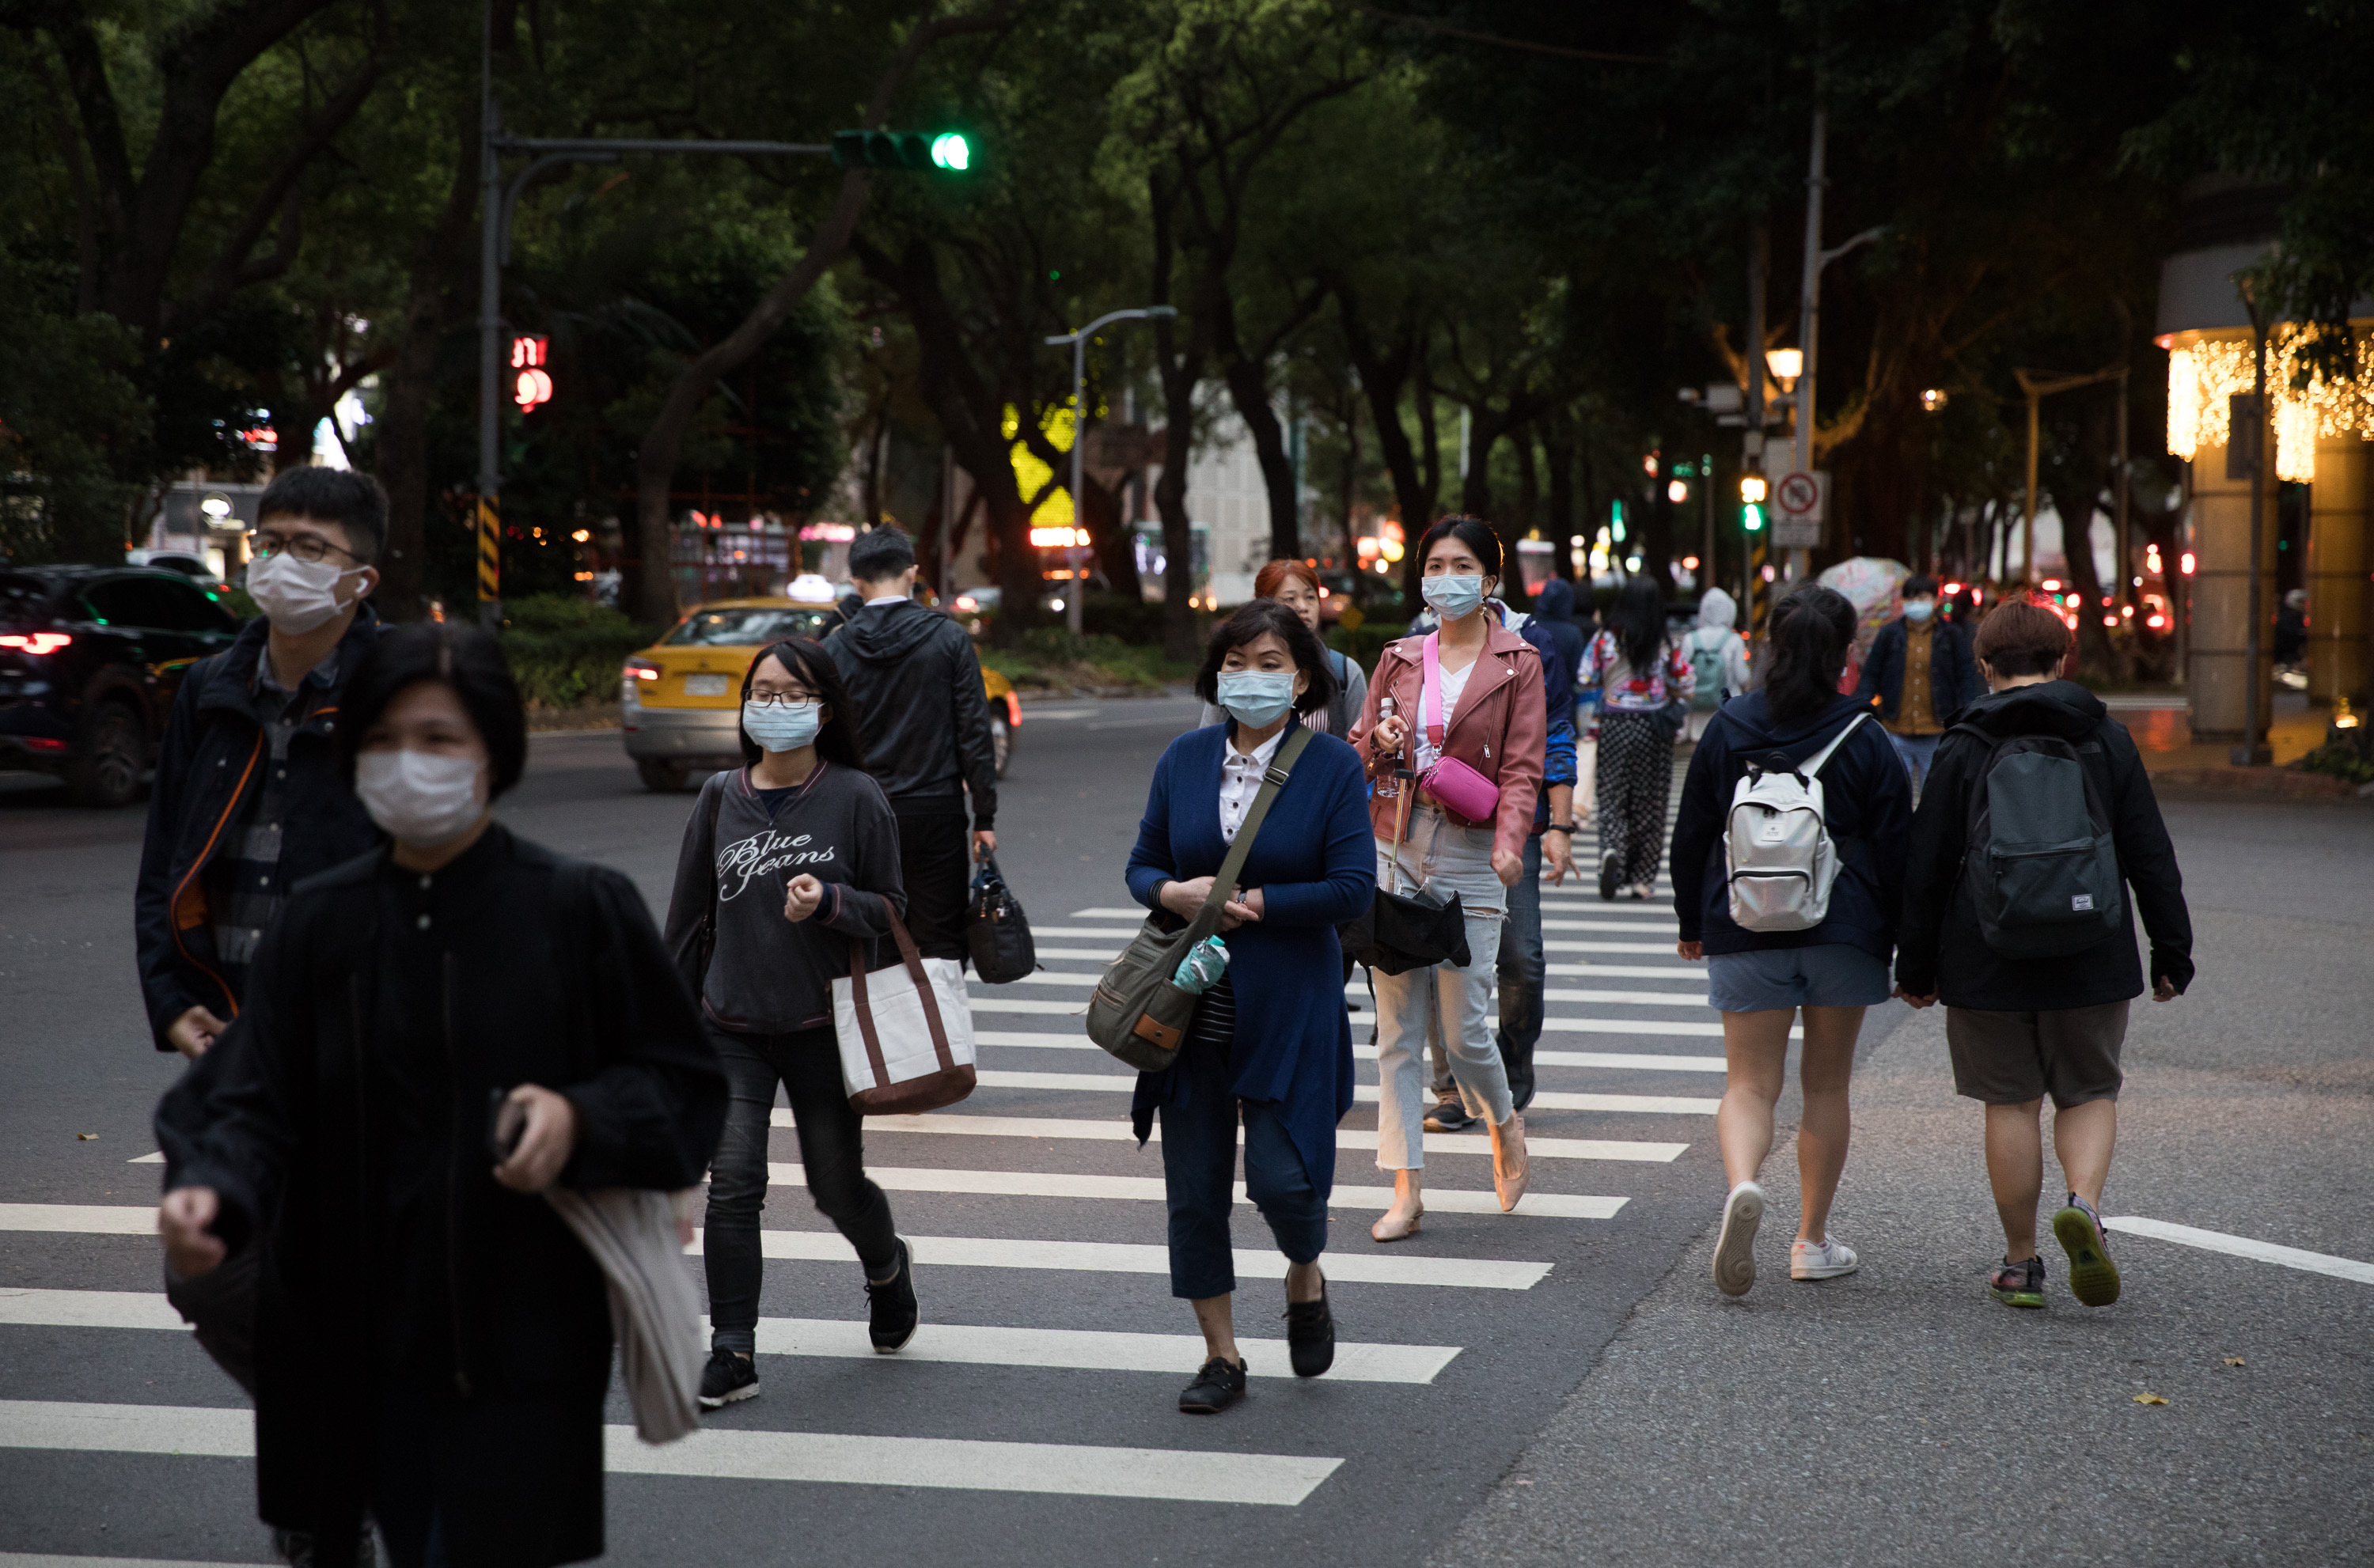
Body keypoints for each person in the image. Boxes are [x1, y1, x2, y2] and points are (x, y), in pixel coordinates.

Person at [154, 623, 726, 1568]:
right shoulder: (321, 920)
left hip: (520, 1338)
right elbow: (249, 1094)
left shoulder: (577, 906)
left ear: (492, 752)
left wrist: (581, 1115)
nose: (406, 763)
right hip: (343, 1335)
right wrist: (212, 1187)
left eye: (437, 738)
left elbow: (680, 1082)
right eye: (382, 740)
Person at [1892, 600, 2194, 1311]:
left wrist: (1916, 966)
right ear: (2062, 662)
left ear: (1984, 665)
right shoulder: (2106, 738)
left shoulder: (1963, 745)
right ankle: (2084, 1206)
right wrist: (2171, 948)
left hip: (1985, 952)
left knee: (2010, 1102)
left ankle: (2021, 1264)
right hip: (2092, 948)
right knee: (2088, 1089)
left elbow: (1927, 863)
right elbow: (2149, 850)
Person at [1125, 600, 1374, 1414]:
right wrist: (1174, 889)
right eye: (1236, 661)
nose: (1251, 676)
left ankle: (1306, 1273)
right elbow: (1141, 865)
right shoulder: (1182, 757)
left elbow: (1351, 887)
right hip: (1189, 1009)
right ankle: (1221, 1355)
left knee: (1286, 1183)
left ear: (1302, 678)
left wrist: (1259, 900)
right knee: (1195, 1191)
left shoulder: (1332, 765)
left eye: (1270, 662)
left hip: (1289, 1004)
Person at [663, 638, 918, 1409]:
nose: (775, 706)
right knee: (733, 1183)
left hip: (822, 1024)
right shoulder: (718, 796)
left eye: (792, 693)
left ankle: (886, 1265)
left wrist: (833, 902)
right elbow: (685, 920)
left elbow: (895, 909)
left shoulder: (856, 795)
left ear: (824, 709)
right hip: (728, 1023)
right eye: (762, 692)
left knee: (836, 1186)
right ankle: (733, 1350)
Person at [1670, 585, 1912, 1297]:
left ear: (1769, 645)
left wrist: (1693, 922)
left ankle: (1744, 1184)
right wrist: (1898, 942)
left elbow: (1691, 837)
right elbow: (1900, 848)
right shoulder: (1867, 738)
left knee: (1749, 1084)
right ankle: (1810, 1240)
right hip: (1846, 930)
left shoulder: (1727, 727)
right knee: (1827, 1085)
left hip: (1746, 926)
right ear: (1845, 656)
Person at [136, 467, 391, 1063]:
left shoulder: (400, 692)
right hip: (226, 1030)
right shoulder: (209, 690)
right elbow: (163, 866)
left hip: (354, 1047)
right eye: (270, 544)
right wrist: (171, 1004)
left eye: (310, 548)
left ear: (360, 580)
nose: (280, 563)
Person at [1347, 517, 1544, 1240]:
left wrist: (1511, 844)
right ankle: (1406, 1190)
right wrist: (1380, 742)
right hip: (1395, 841)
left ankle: (1503, 1118)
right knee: (1397, 1032)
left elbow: (1522, 769)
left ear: (1489, 581)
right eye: (1434, 564)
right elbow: (1355, 753)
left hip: (1473, 850)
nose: (1445, 577)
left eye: (1462, 564)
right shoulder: (1398, 657)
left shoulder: (1519, 662)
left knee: (1462, 1032)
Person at [822, 525, 998, 964]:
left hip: (860, 812)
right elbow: (974, 733)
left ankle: (879, 1032)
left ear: (857, 582)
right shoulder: (949, 638)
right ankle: (940, 1032)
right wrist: (984, 816)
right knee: (940, 940)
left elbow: (822, 738)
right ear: (913, 573)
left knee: (872, 934)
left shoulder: (834, 647)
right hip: (935, 809)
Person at [1579, 576, 1694, 900]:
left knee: (1612, 795)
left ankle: (1611, 850)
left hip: (1615, 724)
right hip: (1654, 727)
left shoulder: (1605, 639)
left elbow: (1585, 677)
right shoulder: (1665, 643)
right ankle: (1642, 878)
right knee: (1651, 802)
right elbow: (1686, 684)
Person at [1195, 559, 1367, 733]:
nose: (1302, 607)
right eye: (1289, 599)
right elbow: (1209, 741)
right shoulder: (1234, 670)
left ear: (1303, 680)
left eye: (1310, 597)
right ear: (1264, 606)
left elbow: (1360, 745)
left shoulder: (1345, 672)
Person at [1853, 573, 1981, 797]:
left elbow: (1966, 676)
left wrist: (1967, 715)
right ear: (1903, 602)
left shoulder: (1951, 636)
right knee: (1893, 795)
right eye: (1911, 598)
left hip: (1936, 731)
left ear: (1935, 601)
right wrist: (1862, 709)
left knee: (1933, 797)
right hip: (1895, 730)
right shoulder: (1889, 635)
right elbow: (1871, 675)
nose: (1916, 604)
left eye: (1922, 598)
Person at [1679, 587, 1752, 745]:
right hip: (1726, 714)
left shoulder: (1690, 639)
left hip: (1694, 715)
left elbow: (1681, 676)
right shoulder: (1734, 640)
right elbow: (1742, 676)